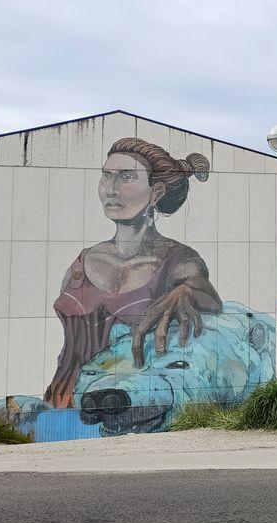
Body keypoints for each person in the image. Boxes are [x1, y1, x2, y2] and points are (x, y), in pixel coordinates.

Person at [44, 138, 222, 408]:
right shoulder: (82, 263)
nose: (111, 189)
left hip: (130, 404)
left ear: (156, 193)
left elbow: (209, 296)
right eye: (106, 175)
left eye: (126, 177)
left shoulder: (178, 260)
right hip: (63, 404)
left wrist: (184, 291)